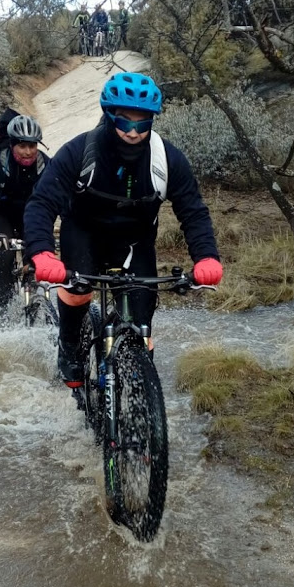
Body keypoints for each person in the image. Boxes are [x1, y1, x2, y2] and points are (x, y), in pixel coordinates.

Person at [23, 73, 222, 387]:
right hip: (83, 233)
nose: (132, 131)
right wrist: (43, 253)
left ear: (152, 121)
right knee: (78, 292)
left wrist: (207, 257)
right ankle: (70, 346)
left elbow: (193, 211)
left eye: (142, 123)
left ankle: (140, 397)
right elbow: (42, 203)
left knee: (141, 323)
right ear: (108, 115)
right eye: (124, 121)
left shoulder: (168, 159)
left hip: (134, 241)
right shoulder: (79, 152)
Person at [0, 113, 50, 313]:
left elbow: (62, 199)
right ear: (12, 145)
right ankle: (1, 314)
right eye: (22, 146)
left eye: (32, 146)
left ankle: (35, 304)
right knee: (6, 256)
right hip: (3, 216)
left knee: (35, 260)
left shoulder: (46, 165)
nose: (27, 152)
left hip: (31, 217)